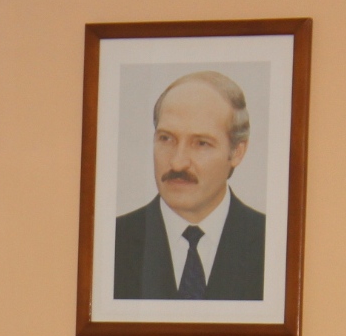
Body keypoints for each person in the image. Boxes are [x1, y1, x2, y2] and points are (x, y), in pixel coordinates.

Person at [113, 70, 265, 301]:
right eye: (166, 139)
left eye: (201, 143)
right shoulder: (113, 241)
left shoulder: (271, 243)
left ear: (237, 152)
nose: (178, 162)